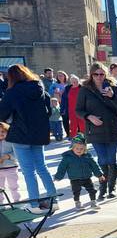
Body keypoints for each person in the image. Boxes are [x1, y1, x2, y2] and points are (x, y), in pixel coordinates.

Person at [0, 64, 58, 213]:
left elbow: (2, 114)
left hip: (20, 135)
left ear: (11, 77)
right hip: (39, 134)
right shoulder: (39, 87)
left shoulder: (12, 92)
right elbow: (48, 110)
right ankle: (54, 200)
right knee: (42, 168)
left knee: (28, 171)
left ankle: (34, 205)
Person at [75, 62, 117, 200]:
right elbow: (78, 110)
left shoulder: (113, 87)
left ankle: (112, 187)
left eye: (101, 74)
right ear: (91, 74)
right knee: (102, 159)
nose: (99, 77)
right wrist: (89, 117)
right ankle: (103, 188)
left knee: (111, 159)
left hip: (112, 128)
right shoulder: (85, 90)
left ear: (106, 74)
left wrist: (112, 96)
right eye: (96, 74)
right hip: (94, 130)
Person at [53, 134, 104, 210]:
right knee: (76, 192)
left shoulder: (87, 156)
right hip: (75, 178)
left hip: (87, 177)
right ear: (72, 148)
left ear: (85, 149)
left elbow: (95, 166)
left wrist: (99, 175)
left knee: (92, 190)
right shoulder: (67, 158)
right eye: (77, 148)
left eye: (81, 149)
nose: (79, 150)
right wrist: (58, 176)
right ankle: (77, 203)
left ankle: (93, 202)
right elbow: (62, 168)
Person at [0, 122, 20, 202]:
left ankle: (17, 201)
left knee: (14, 186)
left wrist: (7, 156)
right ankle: (1, 203)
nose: (0, 134)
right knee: (0, 187)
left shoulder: (11, 142)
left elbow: (18, 154)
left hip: (11, 168)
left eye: (2, 131)